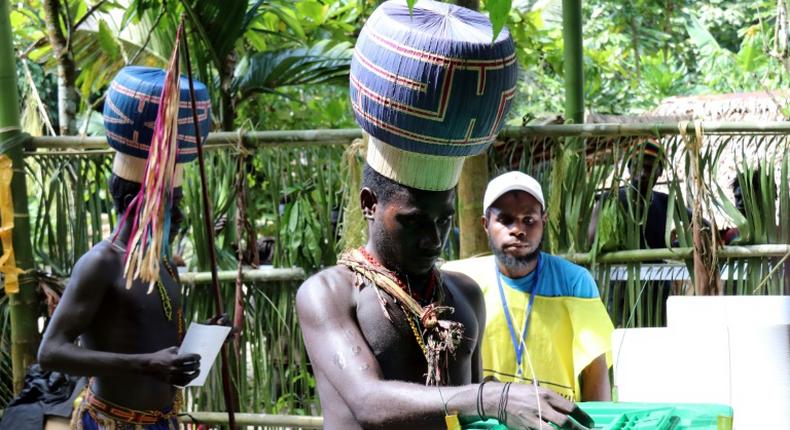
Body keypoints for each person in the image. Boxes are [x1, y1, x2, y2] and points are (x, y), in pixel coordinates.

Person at [297, 1, 593, 429]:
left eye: (443, 221)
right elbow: (367, 401)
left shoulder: (464, 294)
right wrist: (489, 396)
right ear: (369, 205)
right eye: (413, 220)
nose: (433, 239)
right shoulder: (327, 294)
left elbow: (471, 418)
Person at [37, 64, 212, 429]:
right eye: (172, 201)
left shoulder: (163, 261)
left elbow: (160, 350)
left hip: (162, 421)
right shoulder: (101, 262)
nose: (178, 211)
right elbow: (50, 352)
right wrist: (146, 363)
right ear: (146, 203)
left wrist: (197, 348)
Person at [442, 172, 614, 401]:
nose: (517, 229)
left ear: (543, 221)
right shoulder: (461, 281)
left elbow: (595, 370)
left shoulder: (574, 282)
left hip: (558, 422)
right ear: (485, 224)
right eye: (505, 220)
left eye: (528, 220)